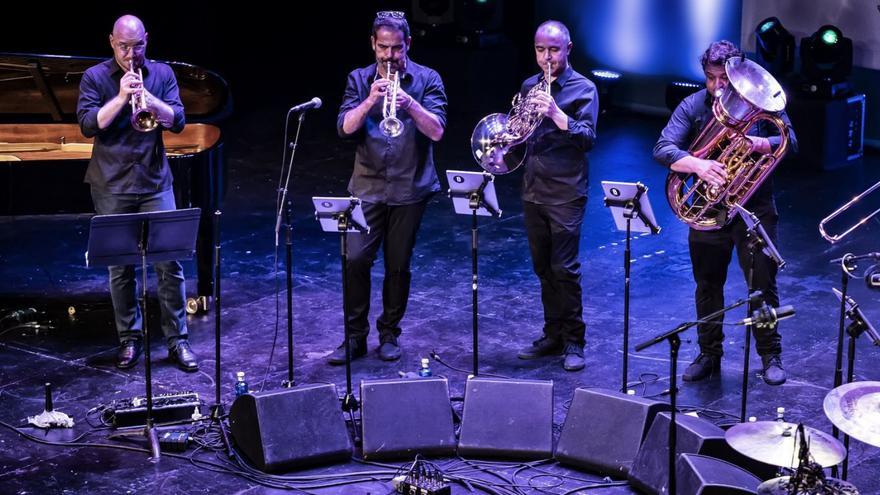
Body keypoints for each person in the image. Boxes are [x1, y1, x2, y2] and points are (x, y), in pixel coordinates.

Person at [653, 40, 797, 385]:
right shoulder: (693, 105)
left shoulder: (761, 102)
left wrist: (763, 144)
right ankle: (708, 353)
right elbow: (662, 148)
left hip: (754, 208)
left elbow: (791, 140)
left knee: (762, 285)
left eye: (724, 79)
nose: (718, 87)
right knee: (707, 285)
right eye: (711, 78)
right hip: (710, 209)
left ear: (738, 76)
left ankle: (770, 354)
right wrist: (699, 166)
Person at [77, 15, 198, 371]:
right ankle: (129, 339)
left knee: (169, 263)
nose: (132, 54)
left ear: (147, 39)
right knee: (121, 268)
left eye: (138, 45)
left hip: (155, 181)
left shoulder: (161, 74)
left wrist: (149, 99)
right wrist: (121, 97)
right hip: (111, 183)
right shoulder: (95, 78)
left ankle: (178, 341)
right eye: (124, 46)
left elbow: (177, 119)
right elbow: (87, 125)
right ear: (111, 42)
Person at [331, 11, 447, 364]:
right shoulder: (358, 78)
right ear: (373, 44)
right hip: (366, 187)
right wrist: (369, 100)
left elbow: (438, 131)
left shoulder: (427, 79)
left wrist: (410, 104)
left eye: (396, 49)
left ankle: (389, 333)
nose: (390, 56)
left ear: (407, 44)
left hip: (410, 187)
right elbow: (344, 128)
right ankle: (354, 337)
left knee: (398, 265)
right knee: (355, 260)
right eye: (383, 48)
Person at [514, 20, 598, 372]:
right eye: (540, 49)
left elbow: (588, 137)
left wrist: (556, 113)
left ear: (568, 49)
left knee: (565, 269)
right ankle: (552, 333)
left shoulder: (585, 89)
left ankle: (574, 340)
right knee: (543, 268)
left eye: (553, 49)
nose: (546, 57)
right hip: (534, 188)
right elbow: (520, 133)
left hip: (565, 191)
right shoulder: (529, 85)